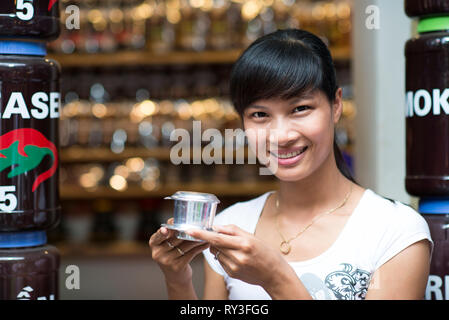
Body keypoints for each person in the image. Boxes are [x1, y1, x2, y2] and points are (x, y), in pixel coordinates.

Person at [149, 29, 433, 300]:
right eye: (260, 114)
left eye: (300, 109)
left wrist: (276, 277)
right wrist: (177, 279)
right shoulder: (230, 226)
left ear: (335, 105)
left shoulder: (395, 231)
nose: (281, 136)